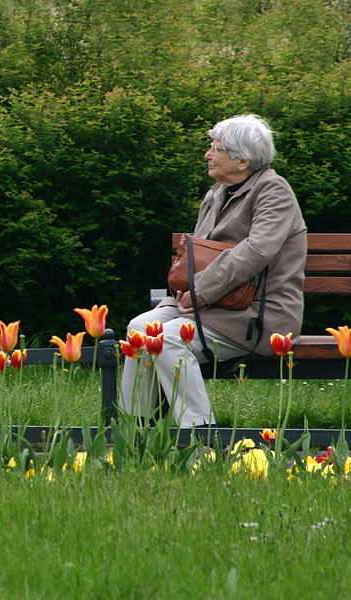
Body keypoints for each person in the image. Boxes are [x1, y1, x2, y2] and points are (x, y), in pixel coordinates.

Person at [120, 114, 306, 426]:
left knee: (168, 339)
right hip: (210, 306)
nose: (208, 155)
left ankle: (199, 433)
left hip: (257, 313)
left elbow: (256, 251)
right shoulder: (216, 194)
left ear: (243, 160)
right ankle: (136, 427)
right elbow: (200, 255)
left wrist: (200, 291)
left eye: (216, 149)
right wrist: (191, 290)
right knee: (140, 328)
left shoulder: (275, 192)